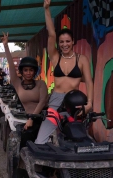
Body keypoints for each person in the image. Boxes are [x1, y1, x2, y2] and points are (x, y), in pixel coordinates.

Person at [34, 0, 93, 144]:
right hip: (55, 101)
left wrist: (90, 103)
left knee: (76, 138)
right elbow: (51, 34)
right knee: (40, 140)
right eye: (61, 42)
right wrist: (47, 10)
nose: (64, 44)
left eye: (67, 41)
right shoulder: (55, 57)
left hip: (75, 102)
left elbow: (89, 81)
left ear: (73, 42)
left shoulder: (82, 59)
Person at [2, 32, 48, 178]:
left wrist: (32, 118)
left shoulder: (41, 84)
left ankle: (47, 176)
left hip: (41, 119)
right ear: (22, 71)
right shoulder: (17, 83)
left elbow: (42, 101)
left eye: (31, 70)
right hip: (26, 121)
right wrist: (6, 45)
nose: (28, 73)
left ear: (35, 71)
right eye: (25, 70)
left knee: (49, 146)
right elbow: (10, 64)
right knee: (18, 146)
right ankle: (16, 176)